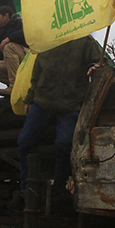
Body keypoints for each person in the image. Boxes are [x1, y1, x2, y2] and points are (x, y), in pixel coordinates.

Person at [14, 36, 101, 210]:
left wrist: (95, 67)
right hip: (42, 102)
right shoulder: (47, 38)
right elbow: (36, 73)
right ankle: (26, 188)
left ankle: (59, 188)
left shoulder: (85, 40)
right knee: (24, 141)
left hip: (70, 105)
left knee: (64, 143)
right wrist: (30, 98)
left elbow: (99, 61)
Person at [0, 5, 29, 97]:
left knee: (9, 47)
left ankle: (15, 87)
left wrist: (9, 39)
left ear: (6, 16)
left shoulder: (19, 23)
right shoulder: (1, 34)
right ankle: (22, 84)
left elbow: (28, 32)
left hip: (29, 59)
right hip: (16, 64)